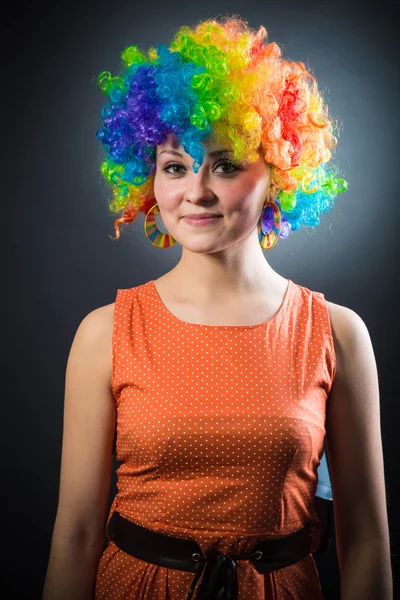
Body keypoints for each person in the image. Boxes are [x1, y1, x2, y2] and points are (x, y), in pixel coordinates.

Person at [42, 15, 392, 600]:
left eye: (226, 165)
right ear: (148, 179)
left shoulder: (336, 333)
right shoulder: (104, 333)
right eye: (175, 166)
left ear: (279, 175)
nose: (196, 190)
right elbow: (76, 536)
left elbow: (365, 543)